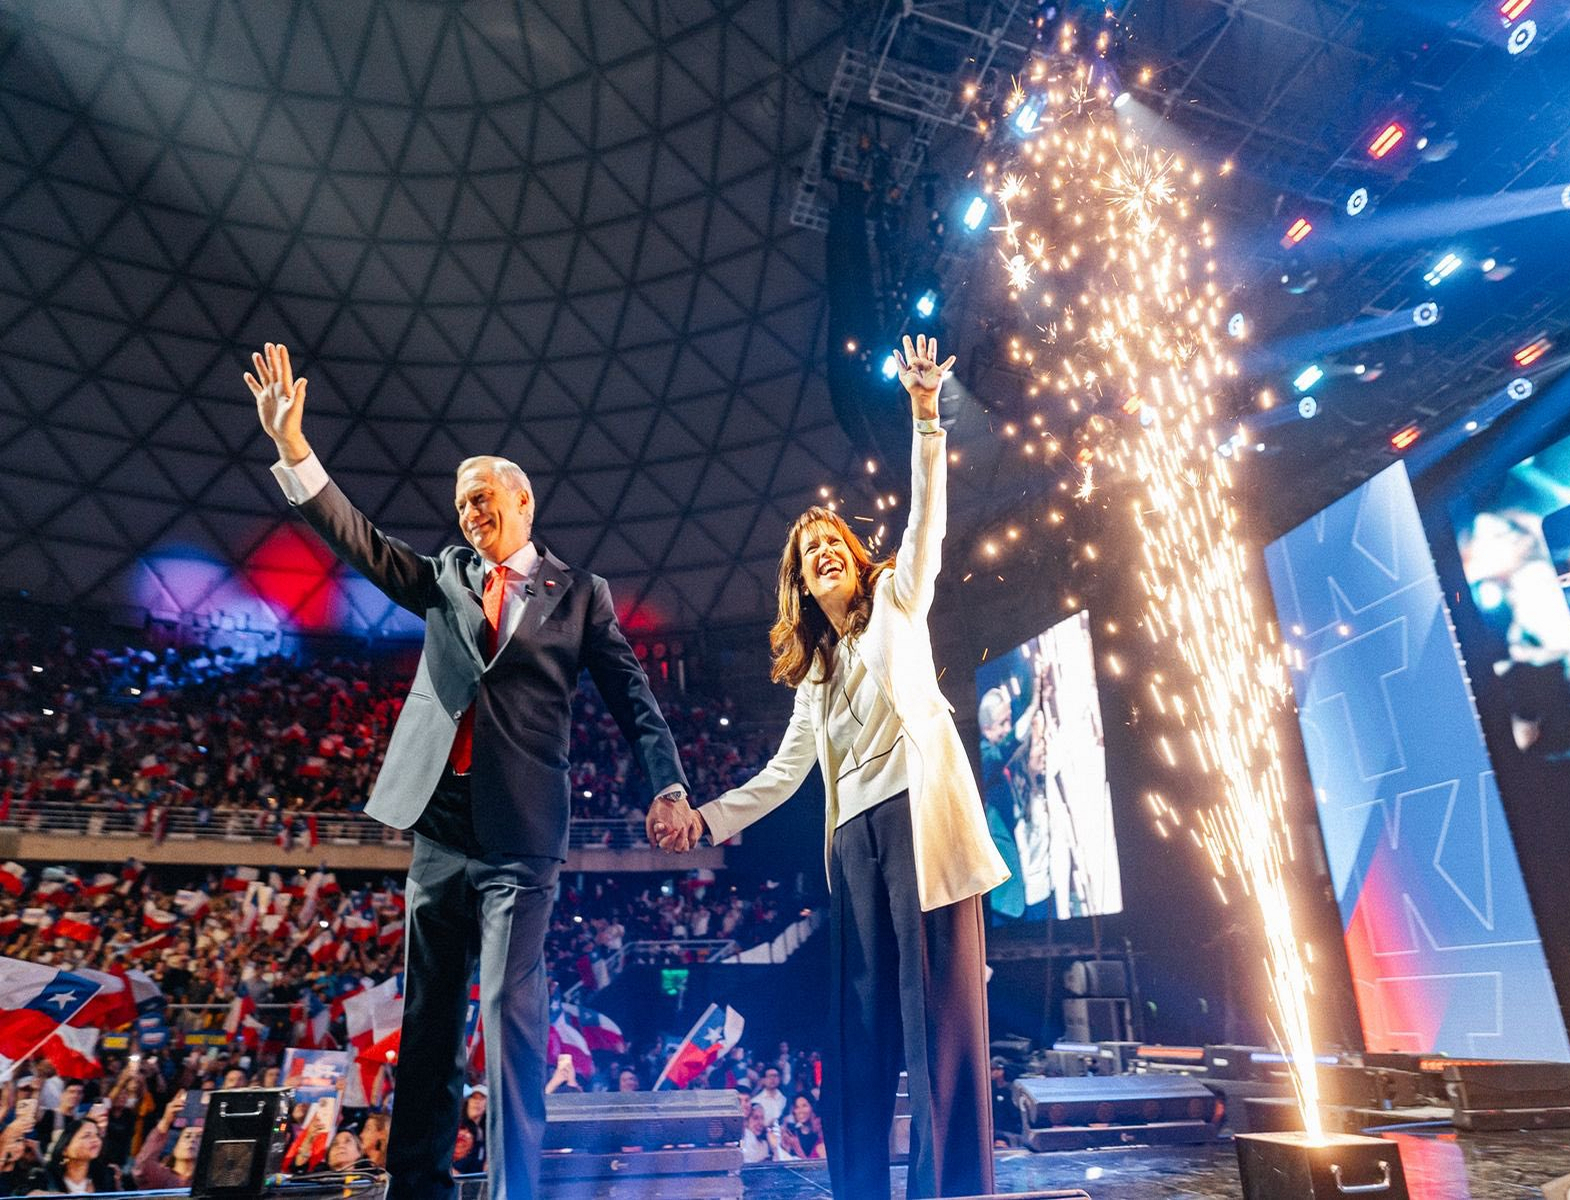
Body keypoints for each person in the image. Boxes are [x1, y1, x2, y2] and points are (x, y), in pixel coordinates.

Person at [246, 343, 689, 1200]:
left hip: (519, 838)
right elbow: (361, 541)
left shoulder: (582, 594)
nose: (468, 514)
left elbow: (633, 697)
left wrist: (667, 784)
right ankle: (418, 1186)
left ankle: (514, 1190)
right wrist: (294, 450)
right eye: (459, 504)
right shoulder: (446, 575)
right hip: (439, 828)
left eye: (481, 498)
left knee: (507, 1013)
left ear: (523, 500)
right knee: (428, 1016)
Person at [651, 334, 1008, 1199]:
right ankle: (860, 1187)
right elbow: (784, 772)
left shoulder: (897, 599)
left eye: (832, 540)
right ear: (802, 584)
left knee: (935, 1023)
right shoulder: (814, 671)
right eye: (810, 552)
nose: (824, 552)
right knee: (858, 1026)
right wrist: (706, 817)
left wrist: (925, 417)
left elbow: (926, 522)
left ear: (853, 552)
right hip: (853, 843)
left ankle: (947, 1189)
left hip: (921, 820)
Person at [26, 1116, 119, 1193]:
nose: (95, 1140)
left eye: (97, 1135)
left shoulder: (106, 1177)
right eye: (87, 1136)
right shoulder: (45, 1178)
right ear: (65, 1149)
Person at [779, 1094, 825, 1160]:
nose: (800, 1111)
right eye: (797, 1107)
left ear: (812, 1108)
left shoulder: (820, 1134)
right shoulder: (792, 1134)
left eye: (804, 1106)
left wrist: (797, 1147)